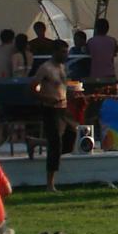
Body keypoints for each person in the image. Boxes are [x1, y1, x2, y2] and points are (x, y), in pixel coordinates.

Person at [32, 47, 72, 192]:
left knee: (70, 137)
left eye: (66, 52)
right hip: (50, 109)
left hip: (63, 108)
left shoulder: (62, 67)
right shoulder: (45, 68)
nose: (65, 54)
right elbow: (33, 88)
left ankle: (35, 142)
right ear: (55, 52)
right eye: (63, 51)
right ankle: (50, 184)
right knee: (55, 143)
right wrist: (47, 98)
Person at [86, 17, 118, 82]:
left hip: (95, 75)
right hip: (110, 74)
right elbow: (115, 52)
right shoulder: (113, 41)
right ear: (107, 29)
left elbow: (87, 55)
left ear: (96, 28)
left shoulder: (90, 42)